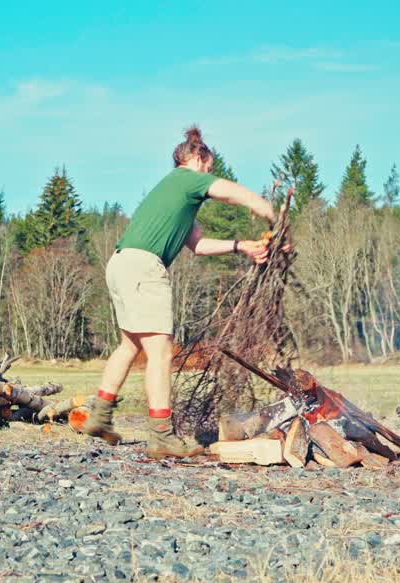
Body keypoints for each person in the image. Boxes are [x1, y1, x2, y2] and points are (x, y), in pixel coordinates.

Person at [83, 126, 276, 458]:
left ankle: (99, 416)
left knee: (129, 344)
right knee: (160, 353)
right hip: (144, 267)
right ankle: (162, 436)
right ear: (199, 158)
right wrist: (267, 210)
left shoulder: (173, 194)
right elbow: (231, 193)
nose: (209, 175)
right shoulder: (187, 178)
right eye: (210, 167)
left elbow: (197, 245)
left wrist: (241, 246)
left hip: (122, 264)